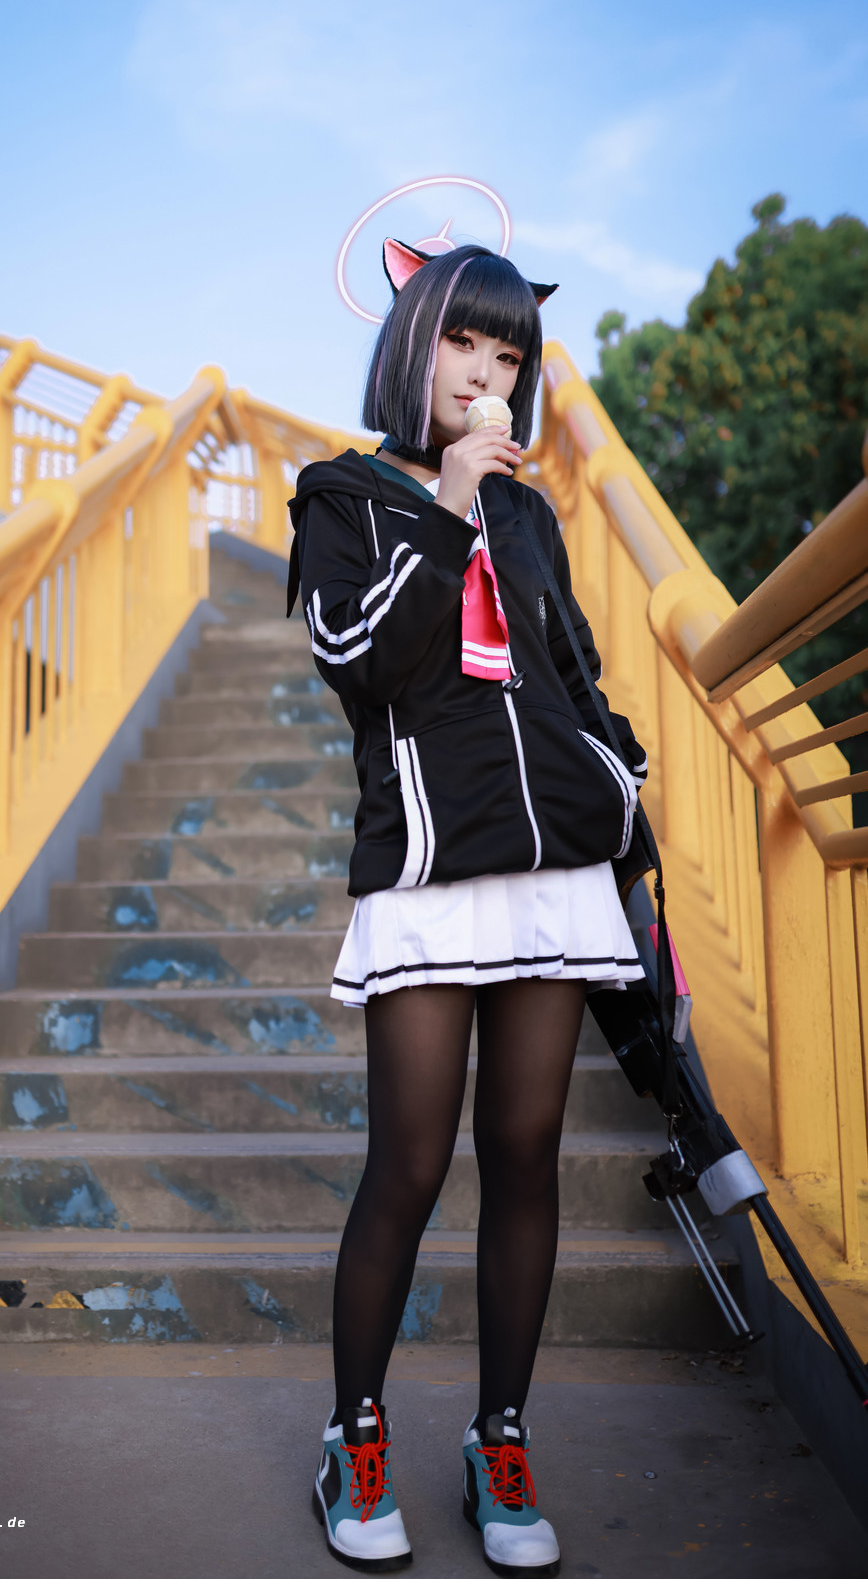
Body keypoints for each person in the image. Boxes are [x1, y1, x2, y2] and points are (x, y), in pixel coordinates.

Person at [286, 240, 648, 1576]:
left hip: (552, 864)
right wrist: (444, 507)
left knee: (528, 1149)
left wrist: (616, 774)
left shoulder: (531, 512)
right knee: (412, 1161)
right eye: (463, 344)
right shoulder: (345, 495)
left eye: (509, 354)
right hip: (434, 869)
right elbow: (359, 660)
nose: (486, 373)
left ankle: (501, 1440)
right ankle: (355, 1435)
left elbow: (571, 666)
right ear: (412, 342)